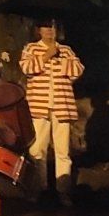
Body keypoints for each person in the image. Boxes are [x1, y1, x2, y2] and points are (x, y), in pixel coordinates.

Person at [20, 19, 85, 201]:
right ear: (39, 30)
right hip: (38, 106)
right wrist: (46, 56)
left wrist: (60, 59)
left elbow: (77, 70)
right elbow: (26, 67)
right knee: (37, 150)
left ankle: (63, 191)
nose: (49, 30)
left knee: (63, 151)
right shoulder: (31, 48)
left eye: (52, 27)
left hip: (61, 106)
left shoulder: (66, 50)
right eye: (46, 27)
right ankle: (39, 190)